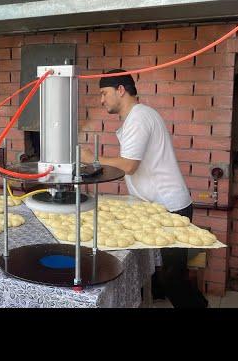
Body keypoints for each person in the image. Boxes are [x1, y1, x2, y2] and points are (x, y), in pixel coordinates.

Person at [81, 69, 208, 308]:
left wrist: (92, 160)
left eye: (104, 93)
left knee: (172, 278)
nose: (101, 100)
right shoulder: (138, 116)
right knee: (158, 277)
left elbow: (129, 165)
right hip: (156, 208)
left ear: (121, 90)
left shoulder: (138, 117)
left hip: (171, 209)